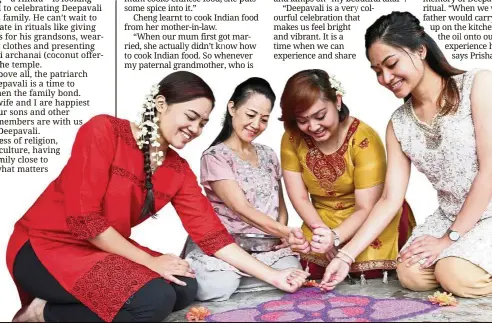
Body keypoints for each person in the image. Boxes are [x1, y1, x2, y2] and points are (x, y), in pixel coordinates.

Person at [6, 71, 309, 322]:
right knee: (153, 300)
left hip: (101, 250)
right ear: (161, 104)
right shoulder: (104, 131)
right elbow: (85, 221)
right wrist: (151, 263)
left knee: (185, 287)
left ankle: (53, 309)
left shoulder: (177, 169)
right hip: (45, 247)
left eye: (203, 123)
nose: (195, 129)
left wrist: (274, 277)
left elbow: (213, 236)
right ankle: (41, 313)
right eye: (190, 117)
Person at [319, 11, 492, 298]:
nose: (385, 78)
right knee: (409, 273)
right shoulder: (399, 124)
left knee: (453, 275)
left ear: (421, 50)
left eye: (391, 64)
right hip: (450, 214)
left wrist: (449, 239)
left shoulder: (478, 84)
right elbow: (390, 199)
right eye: (377, 71)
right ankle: (464, 255)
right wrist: (345, 257)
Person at [280, 69, 416, 283]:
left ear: (337, 101)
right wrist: (321, 234)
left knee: (368, 274)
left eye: (320, 116)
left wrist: (335, 238)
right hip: (320, 218)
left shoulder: (364, 139)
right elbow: (299, 197)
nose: (313, 127)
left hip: (368, 216)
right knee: (309, 272)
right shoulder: (291, 138)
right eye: (302, 120)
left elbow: (366, 206)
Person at [181, 77, 301, 301]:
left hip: (267, 245)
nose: (256, 124)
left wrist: (279, 237)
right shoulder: (215, 156)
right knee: (218, 286)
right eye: (251, 114)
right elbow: (241, 208)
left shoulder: (268, 154)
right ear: (232, 107)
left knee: (294, 272)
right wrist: (285, 232)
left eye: (264, 119)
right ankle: (249, 277)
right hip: (228, 247)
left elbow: (280, 206)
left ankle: (252, 278)